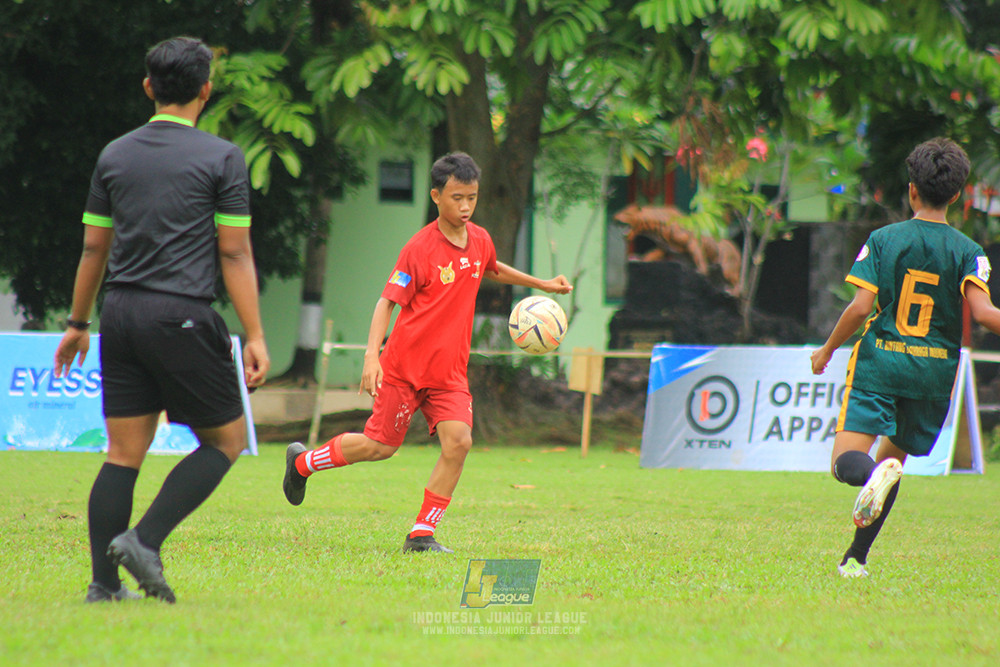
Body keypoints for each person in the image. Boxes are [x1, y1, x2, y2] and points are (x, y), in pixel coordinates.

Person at [54, 36, 270, 603]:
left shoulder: (114, 155)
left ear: (149, 87)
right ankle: (144, 540)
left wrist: (78, 322)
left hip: (119, 314)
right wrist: (256, 334)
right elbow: (233, 253)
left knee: (122, 453)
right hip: (181, 313)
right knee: (225, 440)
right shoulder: (222, 157)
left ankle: (103, 587)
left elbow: (93, 250)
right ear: (206, 90)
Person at [282, 152, 572, 553]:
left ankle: (421, 533)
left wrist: (542, 284)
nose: (466, 206)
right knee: (379, 446)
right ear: (436, 196)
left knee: (460, 442)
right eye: (457, 197)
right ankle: (302, 463)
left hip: (449, 375)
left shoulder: (480, 240)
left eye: (472, 196)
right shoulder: (419, 249)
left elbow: (491, 267)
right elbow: (387, 302)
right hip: (403, 370)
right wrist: (372, 356)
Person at [810, 137, 1000, 577]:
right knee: (891, 466)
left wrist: (826, 350)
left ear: (911, 189)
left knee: (847, 465)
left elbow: (860, 307)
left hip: (882, 364)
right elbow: (985, 314)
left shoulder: (883, 239)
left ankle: (865, 502)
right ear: (958, 195)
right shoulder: (970, 252)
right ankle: (856, 557)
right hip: (932, 373)